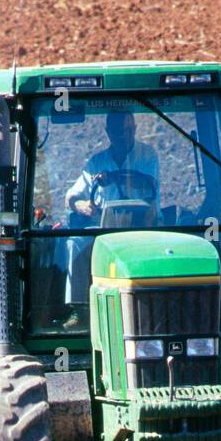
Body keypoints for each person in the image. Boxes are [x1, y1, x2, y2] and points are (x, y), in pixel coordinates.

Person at [62, 111, 160, 318]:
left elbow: (149, 185)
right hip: (103, 231)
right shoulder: (96, 163)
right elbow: (71, 197)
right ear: (108, 132)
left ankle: (154, 307)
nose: (123, 135)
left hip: (143, 228)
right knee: (74, 244)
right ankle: (79, 310)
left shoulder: (147, 155)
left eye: (127, 130)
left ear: (134, 129)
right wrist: (81, 205)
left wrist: (113, 177)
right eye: (117, 131)